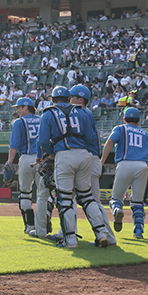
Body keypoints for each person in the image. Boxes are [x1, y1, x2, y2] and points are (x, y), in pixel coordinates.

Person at [37, 86, 110, 248]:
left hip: (64, 154)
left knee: (65, 200)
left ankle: (70, 240)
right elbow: (91, 137)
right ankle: (101, 233)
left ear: (52, 99)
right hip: (85, 155)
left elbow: (42, 141)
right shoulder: (82, 112)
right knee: (87, 197)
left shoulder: (48, 113)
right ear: (68, 98)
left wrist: (51, 154)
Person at [69, 84, 116, 245]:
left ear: (79, 99)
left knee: (83, 200)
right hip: (93, 159)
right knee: (90, 200)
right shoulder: (86, 113)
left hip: (87, 159)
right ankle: (107, 236)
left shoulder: (81, 113)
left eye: (72, 97)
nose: (69, 100)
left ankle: (69, 234)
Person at [101, 107, 148, 240]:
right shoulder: (146, 134)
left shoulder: (120, 128)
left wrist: (102, 161)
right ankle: (138, 230)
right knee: (137, 202)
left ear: (124, 119)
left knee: (115, 199)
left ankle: (118, 211)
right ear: (138, 120)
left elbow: (109, 142)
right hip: (142, 165)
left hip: (124, 163)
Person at [6, 97, 51, 237]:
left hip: (26, 158)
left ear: (26, 107)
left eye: (19, 107)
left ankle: (29, 226)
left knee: (25, 193)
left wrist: (9, 161)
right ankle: (44, 221)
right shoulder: (43, 119)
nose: (17, 110)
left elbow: (14, 144)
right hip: (43, 159)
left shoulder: (19, 122)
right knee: (45, 194)